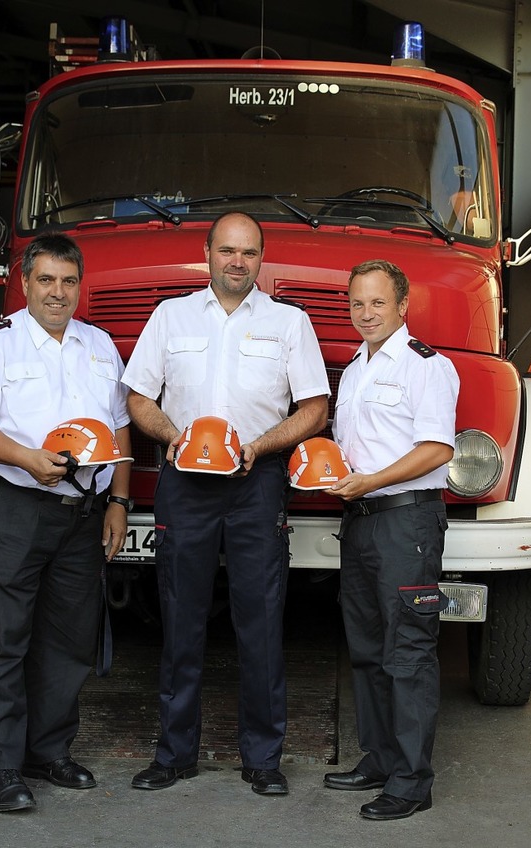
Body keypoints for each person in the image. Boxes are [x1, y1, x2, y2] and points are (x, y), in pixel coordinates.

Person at [122, 211, 329, 796]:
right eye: (227, 251)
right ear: (207, 252)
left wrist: (260, 447)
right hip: (184, 483)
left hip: (256, 482)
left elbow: (315, 408)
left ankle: (263, 759)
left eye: (249, 253)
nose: (237, 262)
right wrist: (171, 437)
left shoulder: (290, 323)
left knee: (260, 622)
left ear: (261, 259)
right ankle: (174, 754)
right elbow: (138, 396)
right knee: (180, 618)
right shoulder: (171, 316)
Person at [0, 232, 132, 813]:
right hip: (13, 509)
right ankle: (2, 767)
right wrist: (27, 458)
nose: (58, 292)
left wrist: (119, 502)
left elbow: (121, 428)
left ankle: (48, 751)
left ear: (80, 287)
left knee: (68, 640)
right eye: (46, 280)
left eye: (68, 281)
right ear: (25, 283)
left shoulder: (100, 344)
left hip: (81, 514)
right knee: (1, 637)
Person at [323, 259, 459, 821]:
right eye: (357, 303)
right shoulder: (355, 368)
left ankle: (410, 782)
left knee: (407, 652)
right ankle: (378, 758)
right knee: (368, 649)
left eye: (378, 303)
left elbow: (438, 450)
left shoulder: (426, 366)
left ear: (403, 306)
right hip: (361, 520)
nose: (366, 314)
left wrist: (371, 481)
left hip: (406, 523)